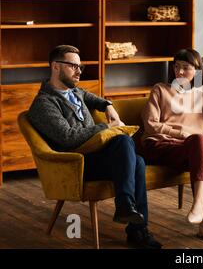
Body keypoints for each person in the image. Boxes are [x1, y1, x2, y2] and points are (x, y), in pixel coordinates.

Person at [27, 45, 161, 249]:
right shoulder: (44, 104)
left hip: (96, 156)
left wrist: (107, 105)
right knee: (128, 148)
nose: (79, 71)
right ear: (55, 67)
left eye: (80, 66)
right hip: (75, 165)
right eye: (73, 66)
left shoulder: (74, 91)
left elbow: (93, 99)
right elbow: (68, 137)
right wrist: (106, 127)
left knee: (138, 161)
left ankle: (133, 222)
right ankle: (134, 224)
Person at [141, 48, 203, 242]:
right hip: (159, 146)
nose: (180, 72)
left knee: (199, 142)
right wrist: (181, 134)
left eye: (185, 68)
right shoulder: (160, 89)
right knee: (199, 142)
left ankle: (200, 209)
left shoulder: (202, 97)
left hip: (188, 150)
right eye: (176, 67)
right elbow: (150, 125)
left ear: (197, 71)